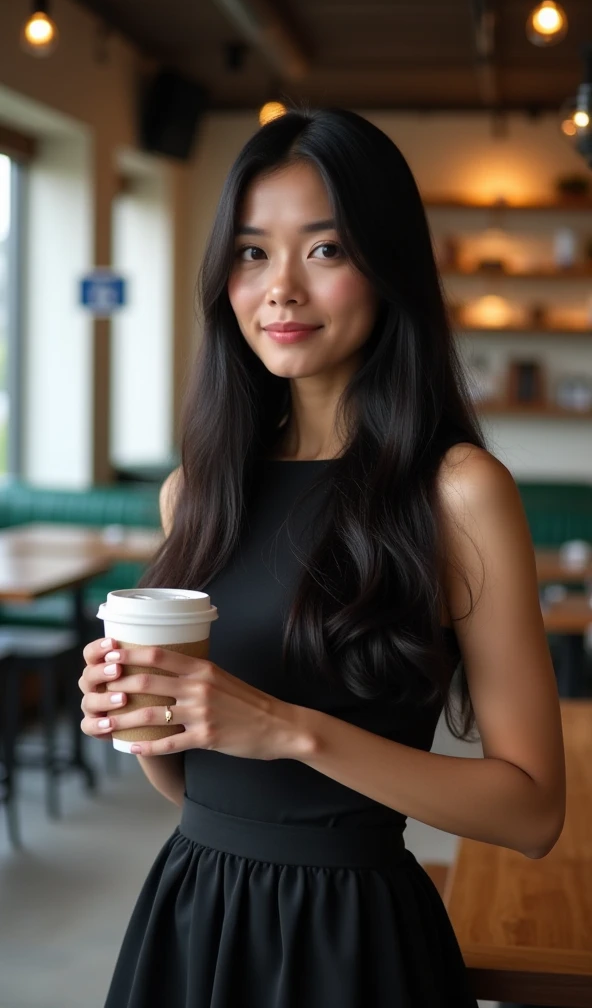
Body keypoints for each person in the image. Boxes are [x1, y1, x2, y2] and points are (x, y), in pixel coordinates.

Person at [78, 106, 566, 1008]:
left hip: (352, 939)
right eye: (253, 251)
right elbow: (193, 787)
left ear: (388, 268)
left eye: (326, 250)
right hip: (193, 915)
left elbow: (533, 811)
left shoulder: (457, 491)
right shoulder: (199, 487)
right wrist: (141, 711)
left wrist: (289, 729)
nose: (281, 290)